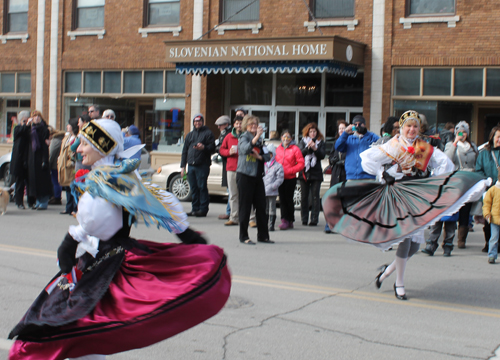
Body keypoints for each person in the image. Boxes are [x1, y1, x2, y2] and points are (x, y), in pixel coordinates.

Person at [8, 119, 231, 360]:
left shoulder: (105, 181)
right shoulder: (121, 176)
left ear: (101, 147)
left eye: (84, 144)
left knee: (75, 328)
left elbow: (97, 221)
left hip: (107, 263)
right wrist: (186, 234)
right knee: (84, 332)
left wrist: (72, 239)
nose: (78, 150)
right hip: (105, 257)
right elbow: (159, 201)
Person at [323, 110, 488, 300]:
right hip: (397, 194)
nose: (411, 129)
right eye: (408, 126)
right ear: (402, 128)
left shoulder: (424, 146)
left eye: (415, 126)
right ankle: (399, 283)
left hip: (416, 195)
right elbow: (368, 160)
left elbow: (445, 164)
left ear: (419, 128)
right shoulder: (393, 144)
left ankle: (386, 272)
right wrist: (386, 172)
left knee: (414, 247)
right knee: (406, 239)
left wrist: (431, 179)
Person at [422, 121, 478, 255]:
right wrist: (454, 143)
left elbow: (476, 163)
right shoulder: (450, 145)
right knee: (442, 215)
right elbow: (446, 159)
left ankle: (452, 243)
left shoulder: (473, 147)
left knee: (459, 214)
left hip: (468, 181)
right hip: (452, 182)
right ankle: (432, 244)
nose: (462, 134)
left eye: (464, 132)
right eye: (459, 131)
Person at [236, 115, 272, 244]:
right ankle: (244, 236)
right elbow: (245, 149)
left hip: (257, 176)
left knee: (261, 206)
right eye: (251, 124)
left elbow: (268, 156)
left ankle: (263, 235)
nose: (253, 126)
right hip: (245, 176)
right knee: (245, 207)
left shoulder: (260, 140)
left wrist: (259, 157)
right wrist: (256, 137)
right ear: (246, 125)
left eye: (255, 124)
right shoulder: (244, 137)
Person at [180, 113, 215, 217]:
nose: (197, 123)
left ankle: (203, 209)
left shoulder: (208, 133)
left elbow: (212, 148)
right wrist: (183, 166)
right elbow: (185, 151)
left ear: (202, 122)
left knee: (202, 187)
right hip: (191, 165)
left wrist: (203, 147)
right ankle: (195, 209)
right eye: (195, 121)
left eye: (199, 121)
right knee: (193, 188)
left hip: (202, 165)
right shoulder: (190, 135)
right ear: (193, 123)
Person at [475, 126, 500, 253]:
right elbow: (478, 170)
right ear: (492, 138)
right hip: (489, 190)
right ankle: (488, 243)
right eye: (498, 137)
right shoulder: (484, 153)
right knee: (489, 218)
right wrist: (486, 180)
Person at [275, 129, 304, 230]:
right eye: (284, 136)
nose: (286, 138)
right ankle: (284, 220)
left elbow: (301, 163)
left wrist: (291, 170)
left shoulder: (295, 149)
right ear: (281, 138)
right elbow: (274, 161)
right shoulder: (278, 149)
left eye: (288, 137)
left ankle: (290, 219)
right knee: (282, 199)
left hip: (290, 178)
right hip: (280, 178)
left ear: (291, 138)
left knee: (288, 199)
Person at [334, 115, 379, 180]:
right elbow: (338, 146)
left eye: (360, 124)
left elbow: (380, 142)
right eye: (355, 124)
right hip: (351, 176)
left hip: (368, 176)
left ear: (364, 124)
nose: (358, 126)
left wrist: (366, 132)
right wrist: (345, 133)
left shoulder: (371, 138)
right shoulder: (349, 139)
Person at [298, 122, 325, 226]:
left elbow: (322, 155)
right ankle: (304, 218)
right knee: (304, 196)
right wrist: (308, 148)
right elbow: (300, 154)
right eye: (311, 131)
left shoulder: (321, 142)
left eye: (314, 131)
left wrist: (315, 149)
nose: (313, 133)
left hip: (316, 172)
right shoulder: (303, 141)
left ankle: (314, 219)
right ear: (307, 132)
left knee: (315, 196)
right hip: (304, 172)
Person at [219, 115, 243, 226]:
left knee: (245, 195)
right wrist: (229, 152)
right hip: (231, 169)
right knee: (233, 195)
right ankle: (234, 218)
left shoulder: (246, 136)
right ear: (234, 125)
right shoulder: (228, 136)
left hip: (244, 169)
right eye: (237, 123)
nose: (239, 125)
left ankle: (249, 218)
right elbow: (221, 150)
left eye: (241, 123)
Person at [27, 110, 53, 210]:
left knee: (43, 182)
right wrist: (27, 125)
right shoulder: (31, 129)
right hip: (32, 158)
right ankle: (38, 201)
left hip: (41, 157)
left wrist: (45, 160)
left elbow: (45, 146)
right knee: (35, 182)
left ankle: (44, 202)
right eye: (35, 116)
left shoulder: (44, 129)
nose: (36, 118)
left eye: (38, 116)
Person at [325, 120, 347, 233]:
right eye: (340, 129)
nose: (341, 130)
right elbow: (331, 156)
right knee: (333, 199)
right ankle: (330, 223)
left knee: (343, 201)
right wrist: (333, 160)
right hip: (336, 174)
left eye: (343, 128)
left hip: (345, 174)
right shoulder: (336, 142)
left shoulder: (350, 141)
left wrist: (343, 162)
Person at [9, 110, 34, 209]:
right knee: (19, 182)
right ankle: (19, 202)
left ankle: (31, 202)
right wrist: (25, 125)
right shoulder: (18, 128)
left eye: (27, 120)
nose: (26, 122)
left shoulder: (29, 129)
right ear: (20, 121)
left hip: (28, 158)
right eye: (24, 120)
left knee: (30, 182)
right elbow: (19, 132)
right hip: (19, 160)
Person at [58, 118, 79, 216]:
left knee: (72, 188)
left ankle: (74, 208)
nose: (67, 126)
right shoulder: (67, 137)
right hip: (64, 165)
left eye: (69, 125)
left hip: (71, 166)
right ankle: (68, 207)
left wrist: (70, 161)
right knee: (67, 187)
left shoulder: (77, 138)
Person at [263, 144, 284, 231]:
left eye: (270, 154)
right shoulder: (262, 165)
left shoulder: (278, 166)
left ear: (273, 154)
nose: (268, 156)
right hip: (263, 190)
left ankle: (271, 225)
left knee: (272, 208)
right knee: (265, 208)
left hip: (272, 190)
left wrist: (273, 186)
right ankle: (265, 223)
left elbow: (280, 178)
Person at [215, 115, 232, 221]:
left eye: (220, 125)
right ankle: (230, 211)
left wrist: (218, 148)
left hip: (230, 165)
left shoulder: (227, 134)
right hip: (227, 164)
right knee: (230, 190)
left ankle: (229, 212)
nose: (218, 127)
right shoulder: (224, 133)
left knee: (231, 191)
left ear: (226, 125)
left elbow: (223, 149)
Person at [483, 175, 500, 264]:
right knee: (494, 237)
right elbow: (486, 203)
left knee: (494, 237)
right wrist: (487, 214)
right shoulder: (493, 190)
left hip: (495, 217)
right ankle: (492, 255)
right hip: (495, 218)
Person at [48, 126, 66, 205]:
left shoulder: (55, 141)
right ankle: (57, 196)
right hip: (60, 163)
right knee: (58, 181)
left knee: (55, 181)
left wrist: (48, 164)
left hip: (55, 164)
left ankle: (56, 197)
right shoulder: (61, 138)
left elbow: (51, 154)